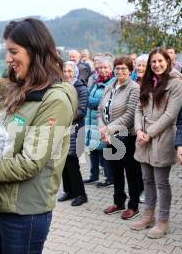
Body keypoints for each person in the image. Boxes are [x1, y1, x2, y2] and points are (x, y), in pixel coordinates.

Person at [0, 18, 78, 254]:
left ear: (35, 50)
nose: (8, 59)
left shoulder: (55, 100)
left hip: (24, 213)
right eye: (8, 51)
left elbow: (30, 162)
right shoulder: (20, 89)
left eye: (14, 52)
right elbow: (0, 139)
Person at [131, 48, 182, 239]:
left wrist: (149, 133)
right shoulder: (146, 82)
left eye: (160, 61)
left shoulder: (176, 83)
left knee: (161, 182)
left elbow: (171, 115)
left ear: (167, 62)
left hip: (162, 137)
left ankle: (163, 221)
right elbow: (138, 108)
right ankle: (148, 216)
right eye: (153, 62)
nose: (157, 65)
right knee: (147, 179)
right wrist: (138, 130)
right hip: (143, 136)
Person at [98, 56, 143, 219]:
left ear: (130, 71)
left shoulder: (134, 88)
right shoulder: (110, 86)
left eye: (124, 68)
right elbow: (99, 111)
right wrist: (103, 130)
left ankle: (133, 206)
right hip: (109, 138)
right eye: (117, 68)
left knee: (131, 173)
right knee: (115, 171)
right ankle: (118, 202)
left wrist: (109, 130)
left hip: (126, 137)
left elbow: (130, 114)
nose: (120, 71)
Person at [58, 61, 88, 206]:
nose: (67, 74)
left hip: (76, 129)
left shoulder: (81, 88)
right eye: (65, 71)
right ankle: (68, 191)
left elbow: (82, 111)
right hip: (62, 128)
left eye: (70, 71)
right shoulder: (61, 87)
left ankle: (81, 194)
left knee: (72, 163)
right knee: (63, 161)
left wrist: (63, 116)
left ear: (75, 72)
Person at [84, 57, 114, 187]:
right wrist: (92, 102)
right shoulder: (97, 81)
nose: (102, 70)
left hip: (103, 123)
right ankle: (93, 175)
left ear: (111, 69)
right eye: (101, 67)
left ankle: (109, 178)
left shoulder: (113, 83)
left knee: (104, 152)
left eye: (105, 67)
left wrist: (91, 102)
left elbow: (105, 102)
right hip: (91, 121)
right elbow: (87, 98)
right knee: (93, 149)